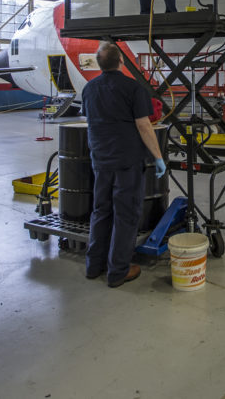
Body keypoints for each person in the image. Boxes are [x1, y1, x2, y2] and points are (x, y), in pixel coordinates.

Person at [82, 42, 168, 288]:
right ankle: (118, 270)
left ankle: (93, 265)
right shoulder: (133, 89)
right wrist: (158, 157)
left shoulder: (89, 89)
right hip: (127, 162)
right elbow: (144, 126)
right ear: (121, 61)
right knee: (126, 215)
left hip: (100, 160)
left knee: (101, 211)